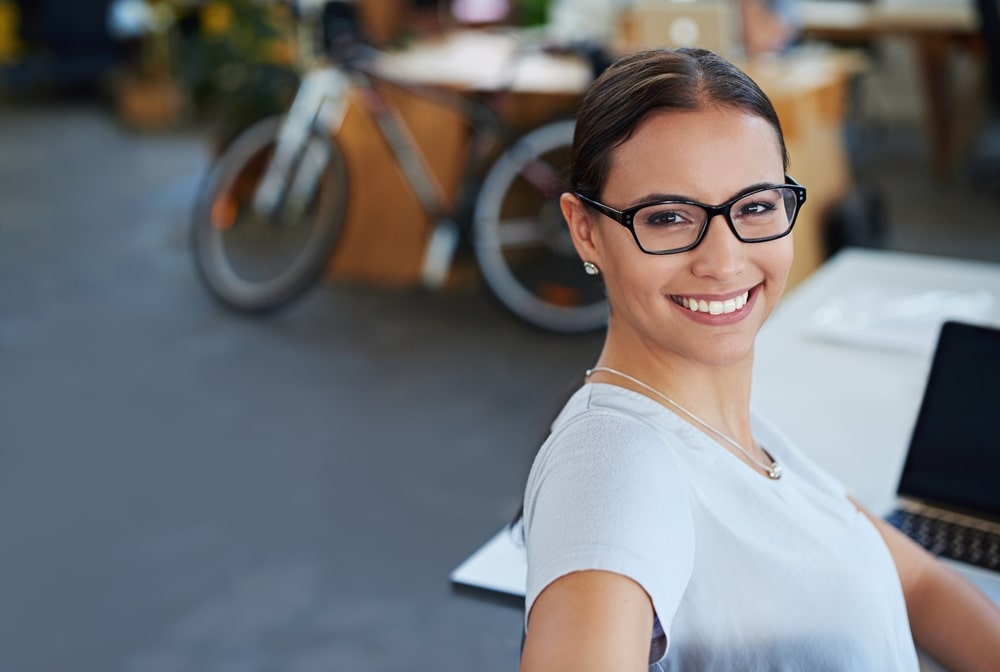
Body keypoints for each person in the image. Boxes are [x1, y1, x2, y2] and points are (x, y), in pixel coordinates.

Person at [519, 47, 1000, 671]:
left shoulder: (744, 437)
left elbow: (918, 584)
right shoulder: (612, 464)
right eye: (667, 217)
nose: (723, 261)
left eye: (755, 207)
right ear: (585, 230)